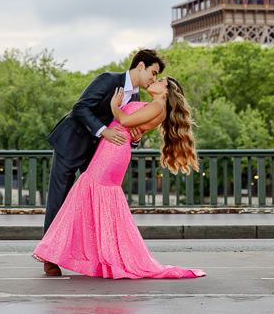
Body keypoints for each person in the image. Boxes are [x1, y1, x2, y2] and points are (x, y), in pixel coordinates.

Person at [33, 76, 204, 279]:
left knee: (85, 197)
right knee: (92, 200)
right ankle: (98, 256)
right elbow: (132, 126)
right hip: (113, 147)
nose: (154, 81)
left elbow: (124, 120)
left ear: (166, 91)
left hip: (113, 150)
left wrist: (115, 105)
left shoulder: (158, 106)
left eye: (160, 81)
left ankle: (58, 251)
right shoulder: (155, 106)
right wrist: (136, 131)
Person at [40, 49, 165, 276]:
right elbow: (80, 108)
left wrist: (135, 139)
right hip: (71, 143)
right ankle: (49, 257)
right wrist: (103, 131)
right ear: (140, 66)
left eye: (157, 77)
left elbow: (127, 129)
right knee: (59, 199)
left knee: (88, 203)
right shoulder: (109, 79)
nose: (153, 79)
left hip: (98, 154)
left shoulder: (136, 98)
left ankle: (92, 256)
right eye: (153, 73)